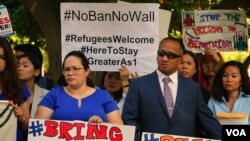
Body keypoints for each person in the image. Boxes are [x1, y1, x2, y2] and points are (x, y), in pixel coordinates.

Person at [122, 37, 221, 141]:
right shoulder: (139, 84)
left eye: (170, 55)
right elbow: (129, 119)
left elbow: (208, 121)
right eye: (161, 53)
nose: (164, 58)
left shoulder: (193, 88)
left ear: (180, 59)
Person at [35, 51, 123, 124]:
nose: (70, 73)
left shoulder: (104, 96)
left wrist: (102, 127)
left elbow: (120, 131)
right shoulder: (54, 95)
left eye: (75, 68)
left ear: (87, 71)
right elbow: (37, 130)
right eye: (67, 69)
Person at [0, 38, 30, 141]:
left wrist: (21, 117)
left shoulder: (19, 86)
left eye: (2, 57)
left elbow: (27, 126)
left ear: (8, 60)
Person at [17, 53, 48, 118]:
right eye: (18, 66)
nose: (20, 69)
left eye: (25, 66)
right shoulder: (9, 92)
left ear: (36, 72)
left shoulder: (47, 95)